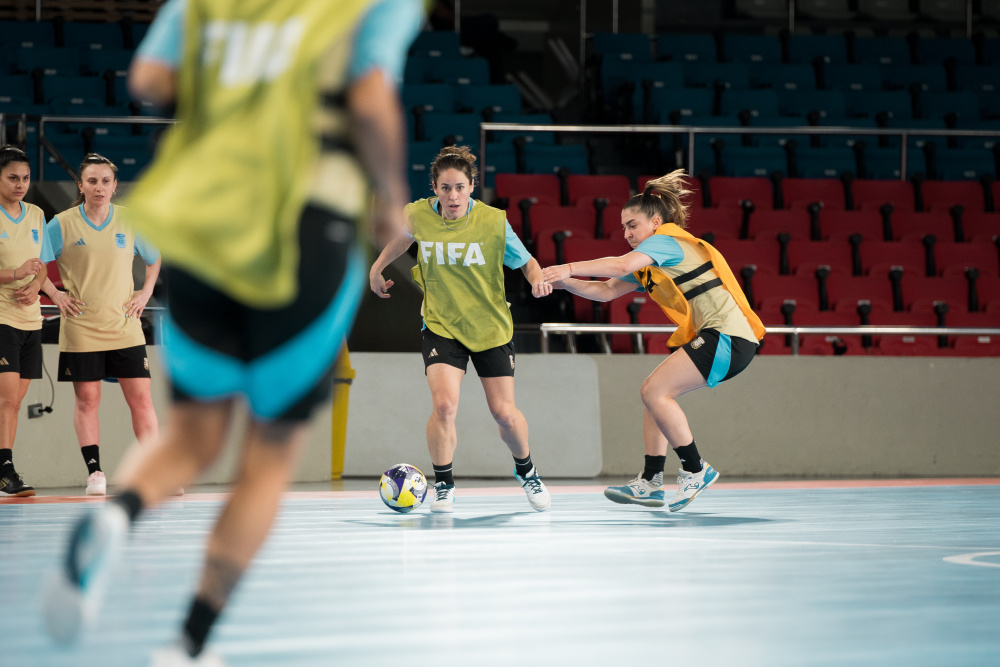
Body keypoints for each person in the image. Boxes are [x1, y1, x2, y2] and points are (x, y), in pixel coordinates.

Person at [41, 0, 421, 664]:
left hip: (204, 214)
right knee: (268, 451)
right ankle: (189, 640)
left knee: (193, 432)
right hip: (308, 216)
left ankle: (113, 516)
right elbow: (369, 94)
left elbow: (151, 78)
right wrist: (389, 198)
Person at [540, 170, 765, 512]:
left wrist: (568, 267)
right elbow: (605, 290)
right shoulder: (650, 262)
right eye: (624, 227)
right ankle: (651, 482)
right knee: (652, 395)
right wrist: (562, 284)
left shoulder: (665, 241)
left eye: (632, 225)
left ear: (655, 222)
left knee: (654, 391)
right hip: (720, 337)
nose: (626, 233)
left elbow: (618, 266)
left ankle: (694, 468)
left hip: (729, 337)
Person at [369, 145, 554, 513]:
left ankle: (527, 471)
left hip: (490, 329)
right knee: (444, 405)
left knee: (504, 413)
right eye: (444, 188)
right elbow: (404, 237)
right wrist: (377, 267)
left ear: (472, 186)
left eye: (459, 187)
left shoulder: (493, 222)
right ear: (434, 189)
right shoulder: (419, 214)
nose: (452, 196)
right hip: (441, 324)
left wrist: (538, 280)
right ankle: (444, 485)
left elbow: (528, 262)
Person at [38, 154, 161, 497]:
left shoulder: (130, 220)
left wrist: (145, 293)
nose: (99, 187)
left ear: (115, 186)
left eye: (106, 181)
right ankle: (95, 473)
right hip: (81, 328)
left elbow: (154, 258)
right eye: (92, 181)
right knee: (87, 399)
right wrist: (55, 296)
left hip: (125, 325)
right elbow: (36, 264)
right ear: (80, 185)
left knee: (141, 399)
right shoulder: (60, 224)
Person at [0, 146, 47, 497]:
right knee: (5, 399)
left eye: (26, 178)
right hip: (2, 317)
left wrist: (34, 286)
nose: (21, 184)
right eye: (13, 177)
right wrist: (15, 274)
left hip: (31, 321)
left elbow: (41, 264)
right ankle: (6, 472)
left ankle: (5, 468)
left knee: (14, 402)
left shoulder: (35, 213)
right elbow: (19, 266)